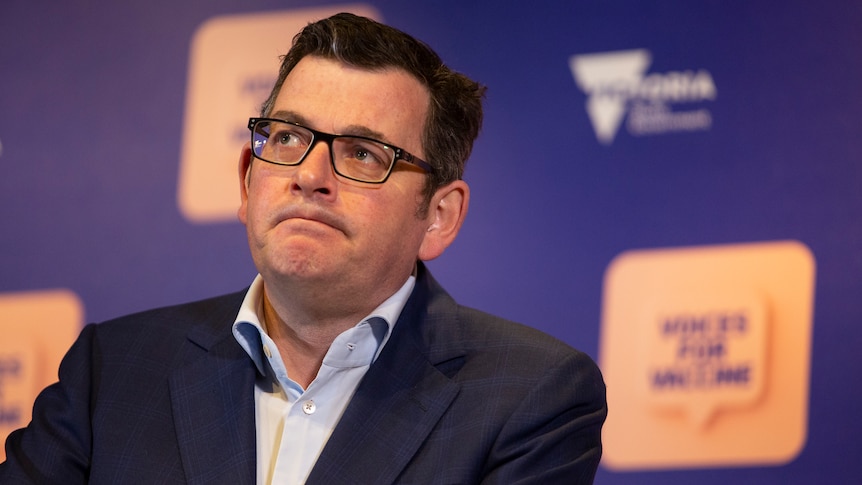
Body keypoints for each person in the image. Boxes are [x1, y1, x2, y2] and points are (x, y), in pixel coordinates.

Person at [0, 12, 606, 484]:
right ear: (246, 180)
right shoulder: (113, 370)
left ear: (439, 218)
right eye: (288, 137)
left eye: (363, 153)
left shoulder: (531, 395)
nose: (310, 174)